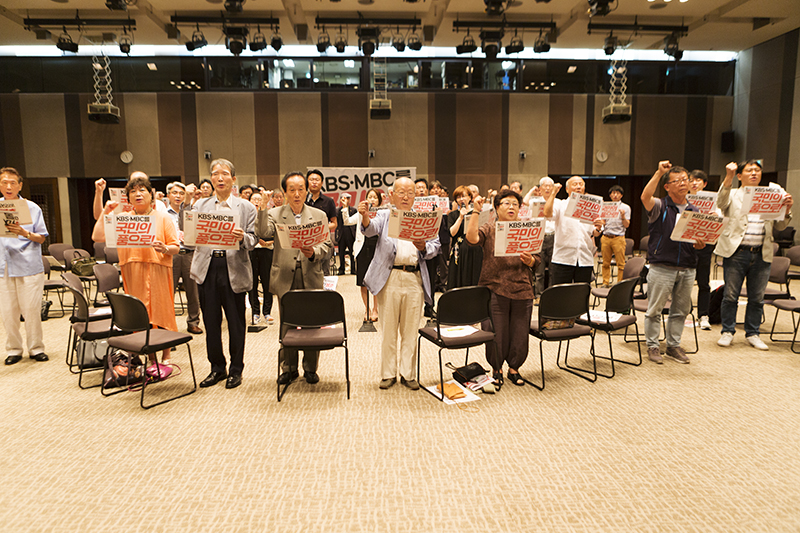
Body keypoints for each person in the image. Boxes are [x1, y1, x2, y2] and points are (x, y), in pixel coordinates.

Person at [358, 177, 441, 390]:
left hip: (414, 278)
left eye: (410, 193)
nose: (406, 197)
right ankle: (388, 374)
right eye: (401, 192)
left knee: (410, 329)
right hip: (390, 277)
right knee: (388, 330)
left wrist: (423, 247)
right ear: (392, 195)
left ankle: (408, 373)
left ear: (416, 196)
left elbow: (435, 246)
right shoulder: (385, 215)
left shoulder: (424, 218)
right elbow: (370, 229)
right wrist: (365, 216)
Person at [92, 172, 180, 365]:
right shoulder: (123, 218)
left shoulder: (163, 217)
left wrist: (165, 248)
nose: (138, 194)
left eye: (142, 190)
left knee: (162, 312)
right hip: (133, 271)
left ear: (151, 194)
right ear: (128, 198)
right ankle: (150, 356)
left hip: (158, 269)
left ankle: (166, 355)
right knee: (140, 314)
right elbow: (97, 237)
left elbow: (175, 247)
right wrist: (106, 211)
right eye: (133, 191)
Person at [189, 159, 257, 389]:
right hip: (207, 268)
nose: (220, 178)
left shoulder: (246, 207)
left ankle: (236, 370)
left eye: (225, 174)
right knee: (211, 322)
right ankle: (217, 368)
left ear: (233, 179)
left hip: (234, 268)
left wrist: (242, 237)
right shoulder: (200, 206)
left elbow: (253, 240)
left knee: (236, 323)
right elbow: (190, 236)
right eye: (215, 174)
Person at [258, 171, 331, 385]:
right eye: (292, 190)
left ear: (307, 190)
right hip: (285, 274)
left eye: (301, 189)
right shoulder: (274, 213)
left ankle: (310, 368)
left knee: (312, 323)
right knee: (287, 323)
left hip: (310, 272)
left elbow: (327, 245)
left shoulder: (318, 215)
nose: (297, 194)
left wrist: (314, 252)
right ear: (284, 192)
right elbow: (263, 233)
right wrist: (262, 207)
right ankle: (288, 368)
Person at [715, 160, 793, 350]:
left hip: (761, 253)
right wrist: (728, 177)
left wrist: (787, 209)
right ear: (740, 176)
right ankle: (727, 331)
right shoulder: (733, 193)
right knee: (730, 295)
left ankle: (753, 333)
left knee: (757, 298)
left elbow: (780, 226)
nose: (754, 173)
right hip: (737, 252)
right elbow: (721, 203)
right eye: (749, 170)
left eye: (757, 170)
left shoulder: (770, 196)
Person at [466, 189, 538, 388]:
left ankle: (514, 368)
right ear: (497, 208)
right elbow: (471, 239)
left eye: (515, 204)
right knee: (496, 331)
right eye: (506, 203)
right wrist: (475, 211)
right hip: (495, 287)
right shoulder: (489, 228)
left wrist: (531, 260)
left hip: (522, 288)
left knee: (520, 332)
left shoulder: (526, 228)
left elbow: (537, 259)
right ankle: (496, 368)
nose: (511, 207)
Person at [640, 161, 705, 364]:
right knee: (655, 310)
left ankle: (673, 345)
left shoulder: (694, 210)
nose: (683, 183)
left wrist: (700, 244)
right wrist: (659, 173)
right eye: (677, 181)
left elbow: (698, 241)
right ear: (667, 186)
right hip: (662, 266)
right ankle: (652, 345)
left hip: (687, 266)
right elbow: (645, 197)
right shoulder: (660, 206)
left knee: (680, 310)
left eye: (685, 179)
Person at [0, 167, 49, 365]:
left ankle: (36, 348)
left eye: (13, 183)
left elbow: (41, 238)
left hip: (28, 266)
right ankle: (14, 349)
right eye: (4, 182)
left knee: (31, 310)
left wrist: (24, 232)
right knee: (8, 312)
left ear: (20, 185)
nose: (8, 186)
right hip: (3, 266)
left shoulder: (32, 208)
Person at [542, 176, 604, 285]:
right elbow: (547, 214)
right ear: (567, 189)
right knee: (561, 292)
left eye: (581, 184)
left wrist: (598, 228)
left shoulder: (591, 207)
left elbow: (594, 233)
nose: (578, 187)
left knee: (581, 293)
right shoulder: (560, 204)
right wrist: (553, 193)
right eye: (575, 184)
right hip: (563, 258)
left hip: (584, 258)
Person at [165, 181, 203, 335]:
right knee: (168, 292)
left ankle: (193, 322)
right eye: (174, 193)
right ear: (168, 195)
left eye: (182, 193)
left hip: (189, 254)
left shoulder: (192, 212)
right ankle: (167, 324)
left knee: (193, 292)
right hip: (170, 255)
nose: (178, 196)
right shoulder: (163, 214)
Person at [688, 170, 715, 330]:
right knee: (682, 281)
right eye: (691, 180)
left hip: (705, 245)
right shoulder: (682, 200)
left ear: (704, 184)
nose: (694, 183)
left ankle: (704, 315)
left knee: (703, 282)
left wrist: (715, 217)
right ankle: (682, 312)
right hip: (686, 245)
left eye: (698, 180)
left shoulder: (713, 201)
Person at [351, 188, 382, 322]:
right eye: (370, 197)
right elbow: (347, 221)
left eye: (375, 197)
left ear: (379, 200)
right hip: (362, 248)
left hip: (377, 248)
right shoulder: (361, 212)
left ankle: (375, 309)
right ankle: (367, 309)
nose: (372, 199)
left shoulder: (383, 213)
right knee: (362, 280)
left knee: (376, 280)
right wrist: (345, 208)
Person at [447, 185, 483, 289]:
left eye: (464, 196)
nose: (461, 199)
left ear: (470, 197)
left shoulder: (476, 213)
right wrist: (460, 217)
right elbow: (452, 233)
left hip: (474, 249)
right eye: (458, 197)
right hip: (459, 251)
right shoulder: (453, 215)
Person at [247, 191, 274, 325]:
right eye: (254, 199)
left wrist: (269, 242)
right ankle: (255, 312)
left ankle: (267, 312)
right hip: (252, 251)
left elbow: (276, 233)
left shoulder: (269, 214)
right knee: (252, 283)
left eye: (259, 199)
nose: (256, 202)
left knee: (267, 282)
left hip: (267, 251)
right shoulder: (247, 215)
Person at [305, 169, 337, 275]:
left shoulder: (329, 201)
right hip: (305, 240)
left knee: (324, 272)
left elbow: (334, 223)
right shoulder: (302, 200)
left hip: (323, 241)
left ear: (322, 183)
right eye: (311, 180)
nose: (314, 182)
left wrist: (320, 228)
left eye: (317, 180)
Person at [600, 185, 631, 287]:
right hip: (606, 237)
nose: (615, 195)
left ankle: (619, 284)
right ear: (610, 195)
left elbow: (627, 225)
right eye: (613, 193)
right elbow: (603, 221)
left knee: (621, 264)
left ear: (621, 195)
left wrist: (623, 216)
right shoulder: (606, 206)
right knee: (605, 263)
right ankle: (605, 282)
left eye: (617, 193)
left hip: (618, 237)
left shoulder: (626, 207)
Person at [531, 177, 555, 295]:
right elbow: (524, 202)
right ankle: (539, 294)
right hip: (539, 237)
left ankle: (550, 295)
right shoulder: (534, 202)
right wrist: (532, 190)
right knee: (539, 271)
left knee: (552, 270)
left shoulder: (557, 202)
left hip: (553, 237)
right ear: (540, 188)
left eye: (550, 186)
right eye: (545, 185)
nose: (547, 188)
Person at [336, 193, 357, 275]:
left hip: (351, 233)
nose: (346, 200)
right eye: (344, 198)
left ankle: (353, 269)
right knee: (341, 253)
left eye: (348, 198)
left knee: (352, 252)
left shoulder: (353, 210)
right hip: (341, 234)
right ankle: (341, 269)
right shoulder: (338, 210)